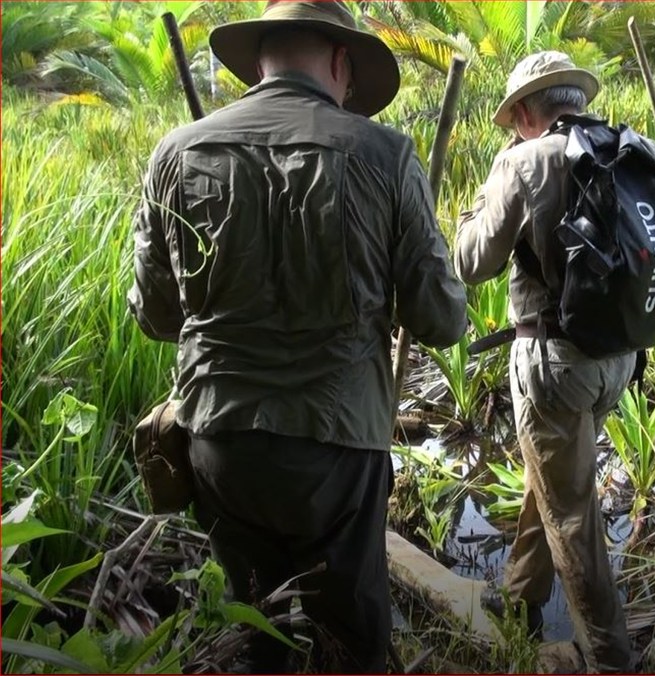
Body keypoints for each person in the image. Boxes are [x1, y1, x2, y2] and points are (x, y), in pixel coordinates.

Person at [127, 2, 468, 673]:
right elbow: (442, 321)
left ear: (259, 60)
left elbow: (157, 316)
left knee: (260, 630)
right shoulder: (387, 154)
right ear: (343, 63)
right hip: (339, 451)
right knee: (354, 640)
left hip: (220, 444)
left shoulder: (178, 152)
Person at [453, 51, 655, 673]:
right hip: (618, 361)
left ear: (524, 112)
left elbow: (470, 262)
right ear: (575, 99)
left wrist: (475, 209)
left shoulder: (521, 161)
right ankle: (520, 602)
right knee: (555, 478)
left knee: (571, 513)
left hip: (553, 366)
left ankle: (608, 657)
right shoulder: (638, 153)